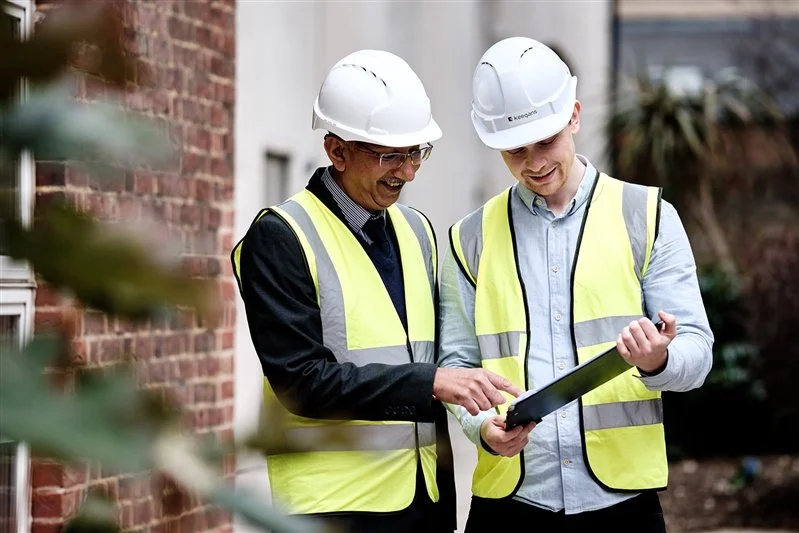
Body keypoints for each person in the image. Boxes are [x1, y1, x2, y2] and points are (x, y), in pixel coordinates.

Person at [231, 49, 521, 533]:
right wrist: (429, 381)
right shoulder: (281, 236)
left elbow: (443, 356)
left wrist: (483, 420)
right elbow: (300, 382)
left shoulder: (418, 231)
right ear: (336, 151)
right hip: (335, 508)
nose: (407, 172)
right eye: (390, 155)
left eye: (416, 153)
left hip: (425, 498)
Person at [439, 37, 714, 533]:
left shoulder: (647, 217)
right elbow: (456, 365)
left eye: (545, 141)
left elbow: (697, 352)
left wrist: (658, 359)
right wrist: (482, 429)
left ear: (574, 117)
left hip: (621, 503)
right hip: (511, 502)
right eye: (514, 150)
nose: (534, 163)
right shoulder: (469, 238)